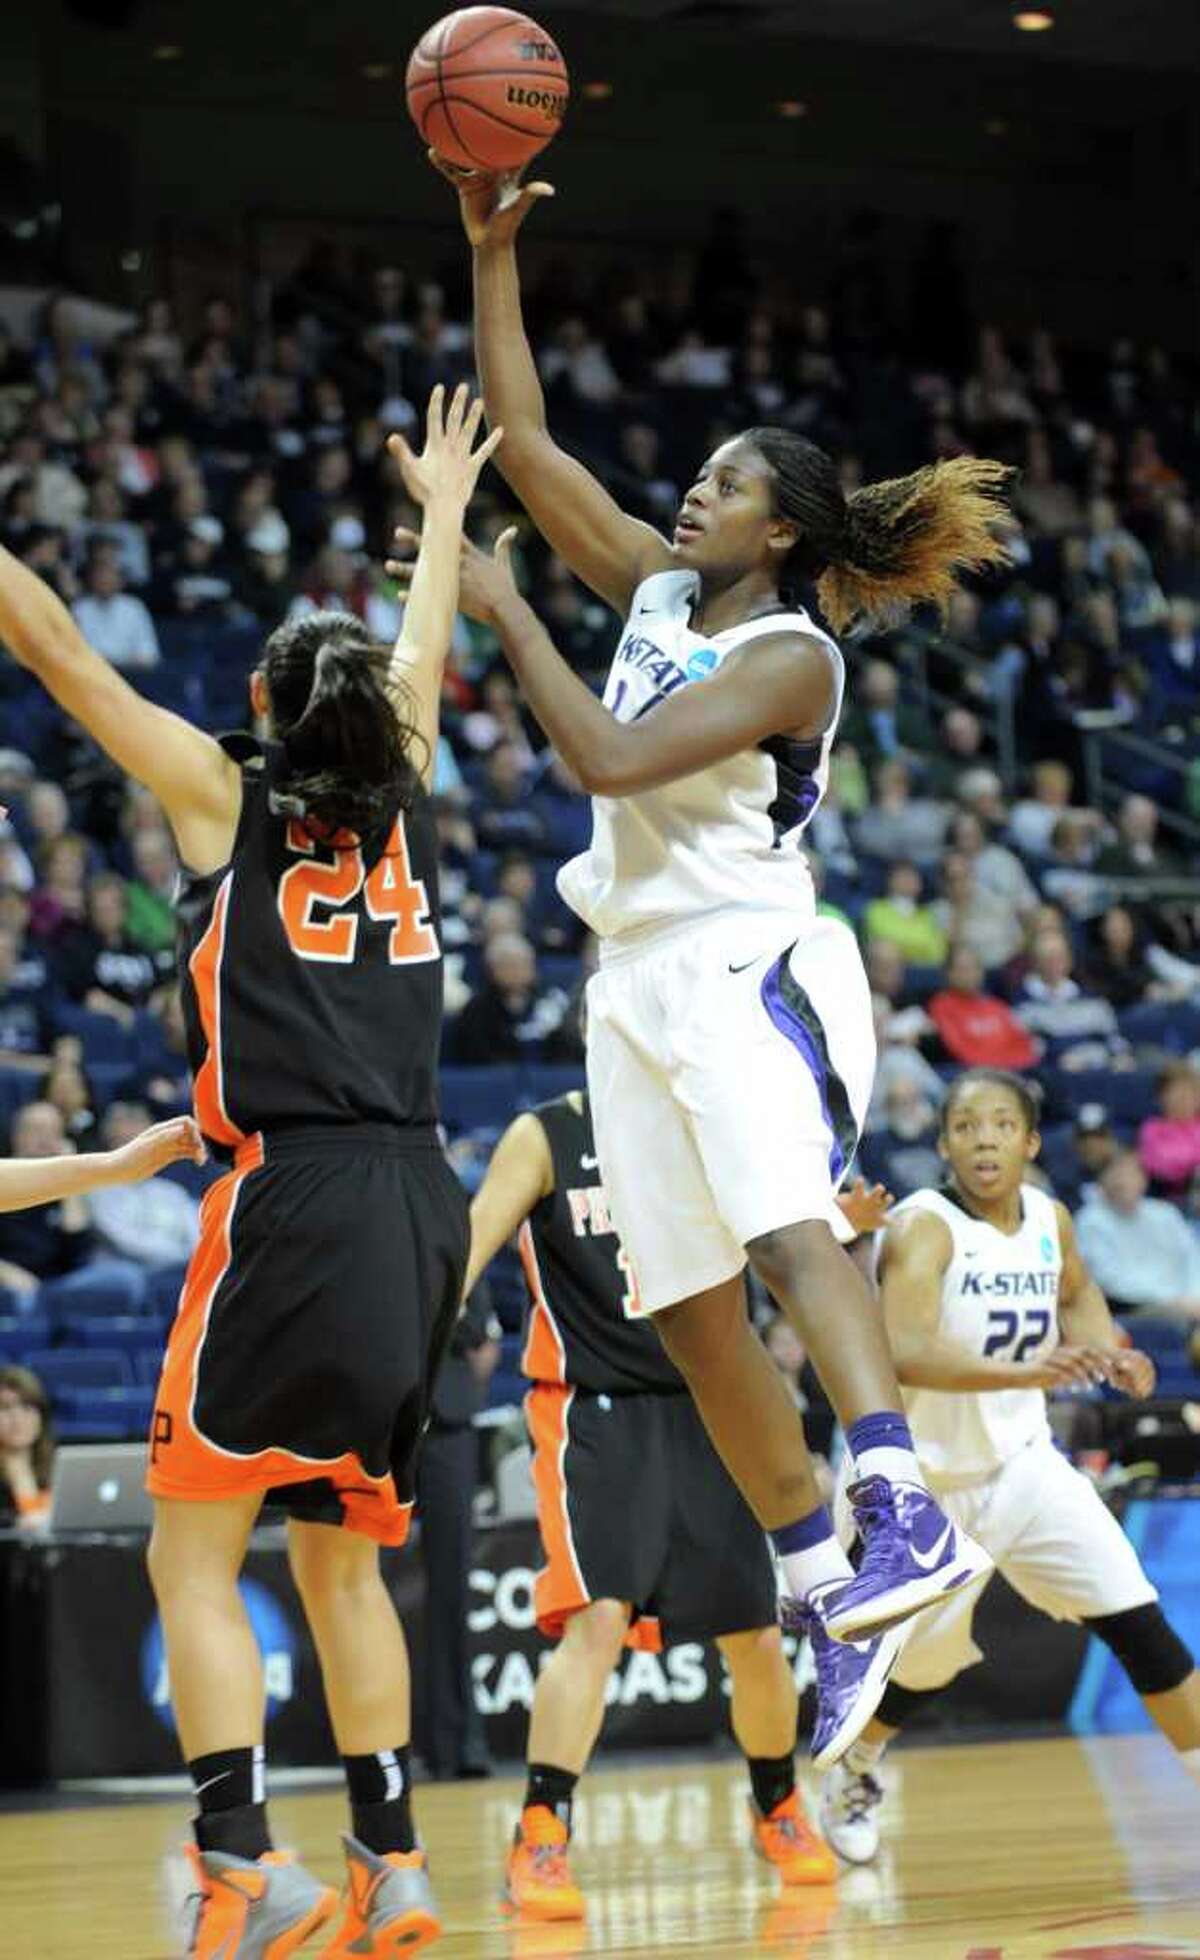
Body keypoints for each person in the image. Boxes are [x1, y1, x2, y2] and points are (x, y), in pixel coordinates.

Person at [416, 161, 1010, 1756]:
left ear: (790, 528)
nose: (694, 491)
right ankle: (823, 1571)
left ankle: (899, 1503)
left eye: (729, 481)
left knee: (787, 1236)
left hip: (752, 960)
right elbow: (531, 446)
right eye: (700, 475)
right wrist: (492, 256)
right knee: (682, 1305)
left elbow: (608, 759)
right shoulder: (671, 587)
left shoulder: (791, 657)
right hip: (632, 978)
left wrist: (503, 610)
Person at [0, 383, 501, 1959]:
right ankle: (397, 1863)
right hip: (420, 1198)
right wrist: (432, 518)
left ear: (272, 711)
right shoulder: (405, 801)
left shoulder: (233, 801)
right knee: (345, 1566)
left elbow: (60, 653)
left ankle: (242, 1862)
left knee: (190, 1548)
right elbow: (417, 658)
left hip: (287, 1200)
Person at [464, 1092, 905, 1916]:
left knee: (754, 1634)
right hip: (593, 1406)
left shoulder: (708, 1125)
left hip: (713, 1396)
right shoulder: (545, 1134)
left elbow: (779, 1234)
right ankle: (542, 1831)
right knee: (596, 1621)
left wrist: (836, 1222)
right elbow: (476, 1233)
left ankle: (776, 1806)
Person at [820, 1069, 1200, 1864]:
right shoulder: (925, 1227)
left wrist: (1109, 1351)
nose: (983, 1137)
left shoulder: (1049, 1219)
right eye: (965, 1126)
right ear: (945, 1145)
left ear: (1030, 1142)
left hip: (1025, 1465)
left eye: (1000, 1124)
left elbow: (1081, 1291)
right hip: (920, 1487)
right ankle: (858, 1766)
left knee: (1141, 1624)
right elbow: (907, 1351)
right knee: (921, 1671)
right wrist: (1030, 1372)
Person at [1076, 1151, 1200, 1326]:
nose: (1125, 1181)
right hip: (1132, 1307)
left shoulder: (1165, 1213)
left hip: (1186, 1302)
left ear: (1144, 1179)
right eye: (1117, 1173)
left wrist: (1194, 1296)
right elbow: (1107, 1279)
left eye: (1132, 1173)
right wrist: (1170, 1301)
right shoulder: (1090, 1219)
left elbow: (1193, 1259)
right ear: (1101, 1181)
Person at [0, 1364, 56, 1530]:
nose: (17, 1419)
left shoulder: (58, 1467)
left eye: (27, 1407)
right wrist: (15, 1525)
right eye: (5, 1408)